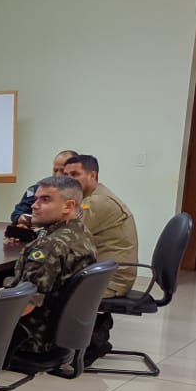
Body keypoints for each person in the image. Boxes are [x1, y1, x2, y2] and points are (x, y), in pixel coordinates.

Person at [0, 176, 97, 355]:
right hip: (60, 333)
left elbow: (25, 306)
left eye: (45, 200)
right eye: (35, 200)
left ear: (68, 206)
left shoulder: (48, 247)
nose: (34, 206)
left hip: (31, 339)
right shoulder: (81, 232)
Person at [62, 154, 138, 363]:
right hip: (103, 271)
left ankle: (90, 340)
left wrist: (34, 224)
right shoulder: (91, 197)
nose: (69, 180)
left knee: (49, 285)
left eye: (75, 174)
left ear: (92, 175)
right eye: (66, 175)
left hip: (111, 278)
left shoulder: (97, 202)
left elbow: (66, 232)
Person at [9, 149, 78, 226]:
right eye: (55, 170)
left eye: (62, 171)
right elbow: (18, 211)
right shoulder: (35, 189)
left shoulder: (80, 192)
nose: (58, 175)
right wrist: (20, 218)